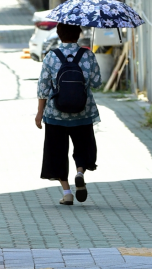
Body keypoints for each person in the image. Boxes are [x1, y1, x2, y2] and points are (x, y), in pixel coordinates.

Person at [35, 23, 102, 205]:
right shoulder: (87, 55)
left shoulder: (51, 56)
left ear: (59, 34)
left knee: (56, 152)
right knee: (83, 147)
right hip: (83, 111)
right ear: (79, 34)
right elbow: (97, 83)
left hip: (56, 113)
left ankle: (67, 192)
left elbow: (43, 87)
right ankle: (80, 172)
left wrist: (39, 113)